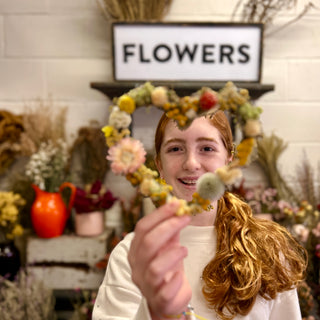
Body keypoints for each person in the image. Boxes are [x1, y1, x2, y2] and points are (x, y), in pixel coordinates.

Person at [93, 110, 307, 320]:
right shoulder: (132, 255)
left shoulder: (268, 250)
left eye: (206, 148)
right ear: (159, 165)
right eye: (176, 148)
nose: (191, 163)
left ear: (229, 161)